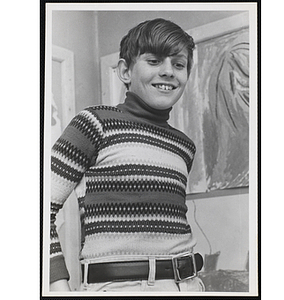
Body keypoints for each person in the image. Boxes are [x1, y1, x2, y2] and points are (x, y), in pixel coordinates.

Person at [50, 18, 205, 292]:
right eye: (154, 61)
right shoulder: (94, 123)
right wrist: (57, 285)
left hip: (189, 284)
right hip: (120, 287)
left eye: (179, 64)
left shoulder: (185, 146)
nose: (169, 72)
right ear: (125, 71)